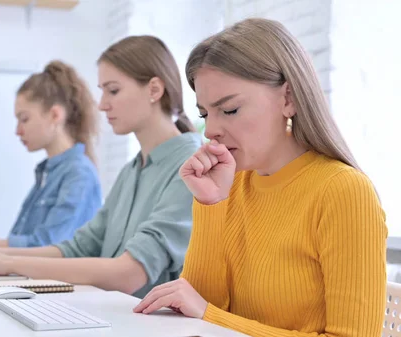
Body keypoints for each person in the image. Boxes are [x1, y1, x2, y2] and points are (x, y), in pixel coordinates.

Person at [133, 18, 387, 336]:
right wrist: (210, 203)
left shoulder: (343, 191)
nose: (210, 130)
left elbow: (206, 315)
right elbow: (197, 315)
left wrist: (210, 315)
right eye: (204, 113)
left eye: (230, 110)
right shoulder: (230, 183)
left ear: (289, 98)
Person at [0, 35, 202, 298]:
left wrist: (6, 263)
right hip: (113, 314)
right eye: (102, 91)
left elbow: (129, 274)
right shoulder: (132, 170)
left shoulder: (191, 167)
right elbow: (78, 247)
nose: (102, 104)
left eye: (113, 90)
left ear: (154, 90)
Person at [0, 60, 102, 248]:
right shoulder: (48, 173)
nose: (18, 131)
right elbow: (28, 241)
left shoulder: (79, 174)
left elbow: (48, 246)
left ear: (55, 115)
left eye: (24, 119)